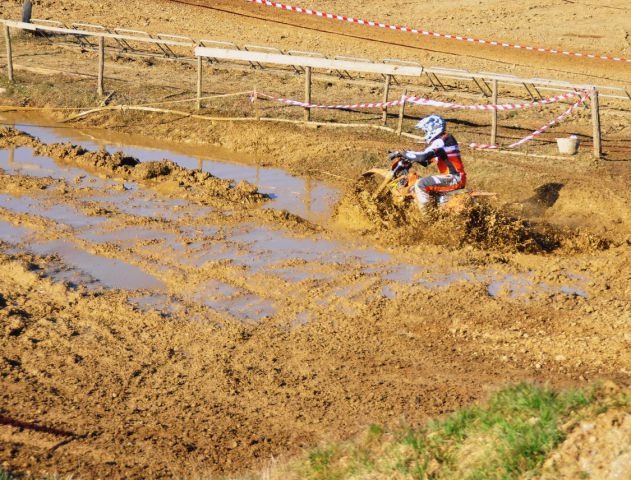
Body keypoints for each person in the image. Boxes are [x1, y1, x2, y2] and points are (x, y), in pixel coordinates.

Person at [391, 115, 467, 211]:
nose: (425, 133)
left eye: (426, 131)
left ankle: (426, 216)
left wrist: (405, 153)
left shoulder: (442, 140)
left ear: (433, 128)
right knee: (417, 184)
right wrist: (409, 155)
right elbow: (426, 161)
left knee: (420, 184)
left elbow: (423, 156)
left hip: (454, 178)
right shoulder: (442, 141)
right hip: (452, 178)